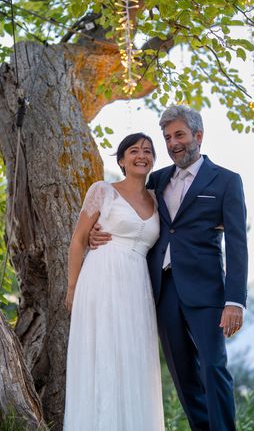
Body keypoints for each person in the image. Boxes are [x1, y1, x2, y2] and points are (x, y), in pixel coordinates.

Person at [91, 105, 248, 431]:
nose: (173, 142)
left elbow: (237, 244)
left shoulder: (226, 182)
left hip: (206, 291)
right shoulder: (158, 179)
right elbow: (128, 207)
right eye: (167, 137)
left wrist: (235, 301)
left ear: (198, 136)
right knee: (182, 374)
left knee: (213, 367)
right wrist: (98, 227)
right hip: (162, 290)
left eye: (179, 135)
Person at [63, 132, 165, 431]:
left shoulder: (158, 200)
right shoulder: (103, 191)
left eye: (147, 151)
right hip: (101, 278)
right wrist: (72, 288)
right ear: (122, 160)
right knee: (103, 354)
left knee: (133, 361)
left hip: (137, 285)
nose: (141, 155)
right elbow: (79, 241)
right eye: (134, 150)